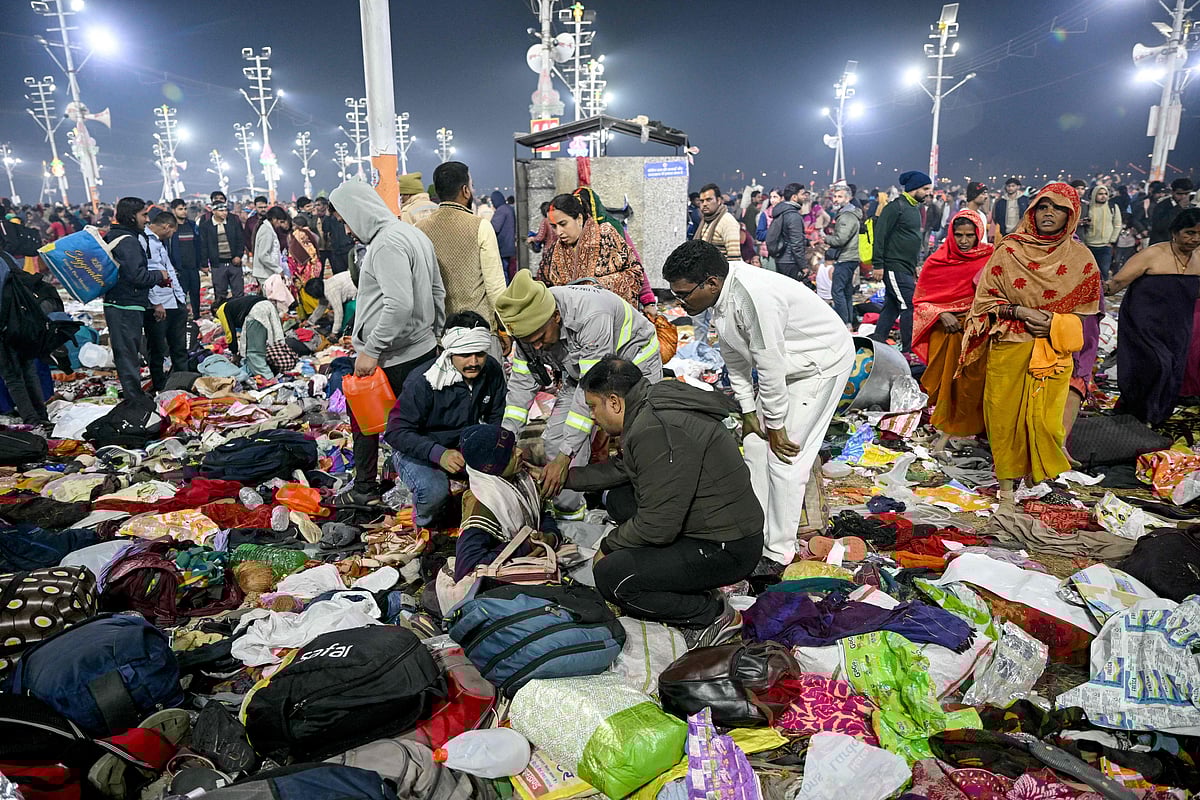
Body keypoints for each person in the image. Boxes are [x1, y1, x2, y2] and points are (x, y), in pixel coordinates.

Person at [663, 240, 853, 571]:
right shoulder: (722, 296)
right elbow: (735, 359)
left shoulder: (753, 297)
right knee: (753, 446)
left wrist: (777, 426)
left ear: (711, 283)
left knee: (785, 458)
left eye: (683, 294)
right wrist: (749, 413)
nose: (679, 303)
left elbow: (769, 365)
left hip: (820, 363)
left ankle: (778, 553)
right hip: (786, 366)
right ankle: (754, 534)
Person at [562, 356, 763, 647]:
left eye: (593, 406)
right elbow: (624, 469)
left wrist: (607, 547)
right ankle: (684, 584)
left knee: (612, 576)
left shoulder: (654, 428)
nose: (592, 416)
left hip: (728, 546)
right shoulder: (649, 404)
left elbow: (658, 526)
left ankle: (711, 615)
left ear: (615, 403)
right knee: (620, 500)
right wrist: (566, 478)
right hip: (715, 527)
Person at [959, 183, 1102, 505]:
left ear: (1072, 215)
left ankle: (1037, 480)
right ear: (1031, 211)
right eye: (1042, 206)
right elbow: (984, 301)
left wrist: (1053, 322)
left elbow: (1088, 315)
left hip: (1052, 350)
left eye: (1058, 208)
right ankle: (1007, 486)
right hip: (1010, 344)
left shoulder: (1081, 259)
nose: (1049, 213)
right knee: (1004, 419)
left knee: (1047, 424)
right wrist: (1018, 310)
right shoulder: (1010, 250)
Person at [495, 271, 662, 512]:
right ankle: (570, 514)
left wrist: (566, 457)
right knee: (556, 442)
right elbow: (521, 387)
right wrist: (506, 440)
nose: (537, 346)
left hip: (633, 365)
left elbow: (591, 392)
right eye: (530, 342)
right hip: (580, 373)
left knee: (638, 437)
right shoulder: (527, 333)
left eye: (540, 338)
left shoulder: (591, 315)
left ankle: (648, 504)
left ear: (555, 317)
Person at [329, 179, 445, 505]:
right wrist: (434, 335)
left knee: (366, 421)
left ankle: (365, 488)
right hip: (420, 348)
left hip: (394, 355)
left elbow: (399, 304)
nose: (348, 230)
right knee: (414, 424)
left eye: (347, 220)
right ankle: (413, 488)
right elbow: (437, 290)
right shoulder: (412, 234)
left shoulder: (385, 245)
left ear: (360, 213)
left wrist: (371, 349)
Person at [383, 315, 506, 528]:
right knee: (433, 492)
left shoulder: (491, 370)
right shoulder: (423, 381)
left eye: (480, 354)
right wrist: (438, 454)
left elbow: (496, 417)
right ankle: (423, 528)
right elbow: (395, 431)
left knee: (505, 481)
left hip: (462, 447)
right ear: (448, 352)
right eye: (465, 354)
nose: (474, 362)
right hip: (420, 449)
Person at [1106, 207, 1200, 425]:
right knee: (1158, 364)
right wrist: (1094, 289)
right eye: (1189, 233)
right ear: (1174, 232)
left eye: (1199, 234)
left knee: (1173, 369)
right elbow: (1118, 283)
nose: (1195, 239)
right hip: (1143, 322)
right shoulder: (1152, 254)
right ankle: (1139, 412)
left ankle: (1154, 417)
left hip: (1178, 325)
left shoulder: (1198, 258)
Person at [911, 211, 995, 453]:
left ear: (979, 234)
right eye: (959, 235)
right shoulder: (937, 261)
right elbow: (921, 300)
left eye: (970, 235)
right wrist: (940, 313)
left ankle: (963, 430)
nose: (964, 241)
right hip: (945, 331)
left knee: (968, 385)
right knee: (943, 383)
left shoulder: (990, 258)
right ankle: (944, 428)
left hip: (976, 331)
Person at [452, 424, 555, 581]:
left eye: (514, 446)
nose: (519, 452)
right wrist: (525, 547)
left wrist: (550, 537)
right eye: (509, 453)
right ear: (493, 466)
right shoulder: (484, 505)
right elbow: (466, 568)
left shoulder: (519, 479)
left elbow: (542, 514)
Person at [415, 161, 506, 334]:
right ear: (465, 191)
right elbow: (495, 287)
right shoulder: (480, 226)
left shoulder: (419, 229)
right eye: (471, 186)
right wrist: (503, 329)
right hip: (478, 330)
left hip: (438, 332)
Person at [104, 198, 169, 399]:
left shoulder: (118, 235)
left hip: (122, 302)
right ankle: (134, 399)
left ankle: (135, 395)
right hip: (125, 303)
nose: (147, 220)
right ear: (132, 216)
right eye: (143, 215)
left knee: (128, 352)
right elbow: (137, 276)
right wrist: (160, 275)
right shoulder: (128, 241)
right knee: (127, 354)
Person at [541, 193, 647, 309]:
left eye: (563, 224)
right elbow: (545, 285)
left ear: (579, 218)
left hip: (610, 317)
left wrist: (595, 286)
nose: (559, 232)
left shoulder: (606, 236)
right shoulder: (555, 250)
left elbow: (635, 273)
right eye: (554, 226)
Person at [871, 170, 932, 353]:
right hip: (893, 266)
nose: (928, 192)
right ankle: (909, 351)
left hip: (906, 267)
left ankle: (878, 341)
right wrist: (878, 264)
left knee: (892, 306)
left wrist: (914, 266)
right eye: (925, 188)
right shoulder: (896, 207)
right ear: (914, 188)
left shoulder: (914, 208)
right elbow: (880, 235)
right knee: (908, 305)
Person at [0, 250, 51, 428]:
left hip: (5, 327)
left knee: (13, 377)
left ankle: (31, 421)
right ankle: (41, 415)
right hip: (23, 324)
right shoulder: (7, 256)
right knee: (28, 371)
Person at [144, 212, 188, 392]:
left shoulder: (159, 243)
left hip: (173, 302)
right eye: (171, 232)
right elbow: (146, 273)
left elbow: (168, 270)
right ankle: (160, 388)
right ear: (166, 227)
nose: (171, 236)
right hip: (158, 306)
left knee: (179, 348)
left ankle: (183, 384)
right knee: (157, 350)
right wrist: (156, 303)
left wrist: (181, 298)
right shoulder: (143, 241)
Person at [823, 185, 862, 326]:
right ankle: (849, 322)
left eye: (840, 196)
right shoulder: (847, 214)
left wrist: (826, 238)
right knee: (846, 292)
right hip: (850, 256)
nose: (836, 199)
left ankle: (843, 323)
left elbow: (841, 239)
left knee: (837, 291)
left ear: (848, 198)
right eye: (835, 196)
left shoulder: (847, 216)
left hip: (846, 257)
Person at [199, 202, 245, 310]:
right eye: (221, 211)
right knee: (220, 293)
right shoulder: (207, 226)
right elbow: (203, 246)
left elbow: (240, 240)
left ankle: (240, 313)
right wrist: (204, 264)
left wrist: (239, 255)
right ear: (213, 211)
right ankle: (222, 315)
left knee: (238, 291)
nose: (224, 213)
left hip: (234, 262)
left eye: (225, 210)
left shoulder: (233, 223)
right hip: (218, 263)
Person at [168, 199, 205, 318]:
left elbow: (199, 245)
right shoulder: (171, 228)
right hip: (179, 268)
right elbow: (168, 248)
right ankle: (181, 318)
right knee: (181, 294)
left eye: (185, 209)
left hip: (193, 266)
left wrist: (201, 263)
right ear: (173, 211)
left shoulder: (192, 226)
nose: (183, 212)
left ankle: (196, 317)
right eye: (180, 209)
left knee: (195, 294)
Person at [767, 183, 810, 283]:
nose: (804, 197)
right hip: (790, 261)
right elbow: (796, 243)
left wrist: (808, 242)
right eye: (802, 194)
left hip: (781, 258)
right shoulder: (793, 216)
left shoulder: (782, 211)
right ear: (794, 197)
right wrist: (803, 266)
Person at [1080, 185, 1121, 281]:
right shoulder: (1088, 207)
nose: (1103, 196)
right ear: (1094, 195)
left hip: (1105, 246)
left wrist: (1112, 241)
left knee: (1103, 272)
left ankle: (1101, 294)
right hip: (1089, 245)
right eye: (1100, 194)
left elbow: (1117, 225)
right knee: (1088, 273)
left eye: (1106, 194)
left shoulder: (1113, 207)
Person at [694, 183, 741, 261]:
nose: (704, 204)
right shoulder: (705, 221)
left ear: (718, 201)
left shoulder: (727, 222)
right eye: (702, 201)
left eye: (709, 200)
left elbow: (734, 258)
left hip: (720, 272)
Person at [287, 213, 322, 316]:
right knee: (313, 287)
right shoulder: (311, 232)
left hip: (304, 266)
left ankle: (313, 312)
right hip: (314, 264)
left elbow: (296, 251)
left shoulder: (299, 233)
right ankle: (319, 311)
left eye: (293, 225)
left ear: (298, 225)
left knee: (305, 288)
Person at [304, 271, 358, 338]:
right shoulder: (324, 285)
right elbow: (321, 306)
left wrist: (334, 332)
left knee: (346, 317)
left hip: (357, 291)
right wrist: (310, 322)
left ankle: (346, 333)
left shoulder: (331, 292)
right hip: (352, 281)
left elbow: (338, 312)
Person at [251, 206, 290, 287]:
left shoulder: (269, 229)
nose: (280, 225)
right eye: (280, 221)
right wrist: (278, 269)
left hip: (269, 272)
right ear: (274, 219)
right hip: (265, 273)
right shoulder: (266, 230)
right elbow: (263, 255)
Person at [1149, 178, 1195, 245]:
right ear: (1172, 192)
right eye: (1179, 194)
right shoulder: (1161, 206)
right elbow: (1160, 226)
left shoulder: (1192, 207)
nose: (1183, 197)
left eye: (1186, 194)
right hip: (1162, 246)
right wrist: (1178, 208)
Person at [490, 190, 517, 280]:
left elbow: (494, 228)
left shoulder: (501, 210)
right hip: (510, 245)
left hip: (503, 246)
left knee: (503, 272)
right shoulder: (509, 208)